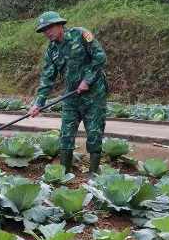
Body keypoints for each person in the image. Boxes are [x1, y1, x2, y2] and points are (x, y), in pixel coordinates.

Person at [28, 11, 109, 175]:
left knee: (94, 134)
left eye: (49, 27)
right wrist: (38, 103)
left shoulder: (80, 35)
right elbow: (47, 78)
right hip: (72, 97)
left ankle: (93, 174)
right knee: (66, 135)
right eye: (44, 30)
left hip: (94, 95)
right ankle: (64, 175)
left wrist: (88, 80)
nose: (47, 32)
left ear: (59, 25)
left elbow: (100, 57)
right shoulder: (52, 51)